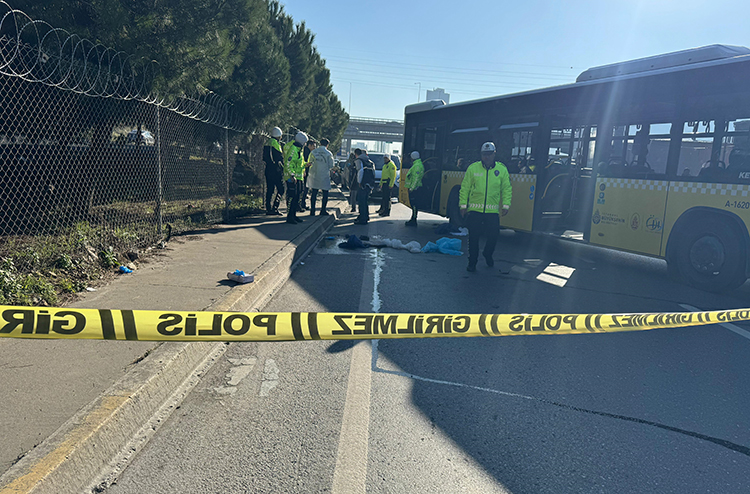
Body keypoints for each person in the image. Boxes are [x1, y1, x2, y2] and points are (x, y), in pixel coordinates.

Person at [459, 142, 512, 272]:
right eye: (484, 155)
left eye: (489, 154)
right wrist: (463, 205)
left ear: (494, 154)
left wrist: (506, 205)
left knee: (494, 236)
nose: (486, 157)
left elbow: (506, 188)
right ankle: (472, 263)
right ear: (481, 155)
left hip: (492, 211)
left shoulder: (502, 170)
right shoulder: (473, 168)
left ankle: (488, 254)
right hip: (475, 211)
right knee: (474, 238)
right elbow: (465, 187)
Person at [283, 131, 308, 224]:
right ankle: (290, 216)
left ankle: (294, 215)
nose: (305, 144)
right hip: (292, 178)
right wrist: (292, 175)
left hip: (299, 177)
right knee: (292, 197)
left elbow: (299, 163)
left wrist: (305, 165)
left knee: (297, 197)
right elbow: (288, 163)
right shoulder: (293, 150)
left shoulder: (299, 150)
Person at [308, 138, 334, 216]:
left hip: (314, 175)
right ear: (327, 145)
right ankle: (323, 210)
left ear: (320, 144)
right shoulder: (328, 153)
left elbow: (309, 162)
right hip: (324, 175)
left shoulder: (313, 152)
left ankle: (312, 210)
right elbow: (331, 165)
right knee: (325, 193)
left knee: (314, 193)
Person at [262, 126, 285, 215]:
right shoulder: (275, 144)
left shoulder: (267, 143)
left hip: (268, 169)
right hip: (276, 170)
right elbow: (279, 159)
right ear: (279, 136)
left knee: (270, 189)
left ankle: (268, 208)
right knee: (281, 189)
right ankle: (275, 207)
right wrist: (282, 168)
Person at [353, 149, 376, 225]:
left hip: (362, 184)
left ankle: (362, 219)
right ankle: (365, 216)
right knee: (365, 201)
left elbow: (360, 171)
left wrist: (359, 182)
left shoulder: (359, 160)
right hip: (369, 184)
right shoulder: (370, 162)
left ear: (356, 154)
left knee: (361, 201)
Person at [404, 151, 425, 227]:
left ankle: (414, 220)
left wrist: (412, 188)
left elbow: (416, 178)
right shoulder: (417, 164)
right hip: (415, 188)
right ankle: (413, 219)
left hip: (415, 189)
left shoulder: (417, 166)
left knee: (414, 205)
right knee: (414, 205)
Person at [300, 139, 317, 211]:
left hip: (305, 172)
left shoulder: (306, 151)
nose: (314, 148)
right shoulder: (307, 152)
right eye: (313, 146)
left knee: (305, 189)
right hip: (304, 173)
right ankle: (302, 204)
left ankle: (302, 204)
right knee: (304, 189)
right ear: (309, 145)